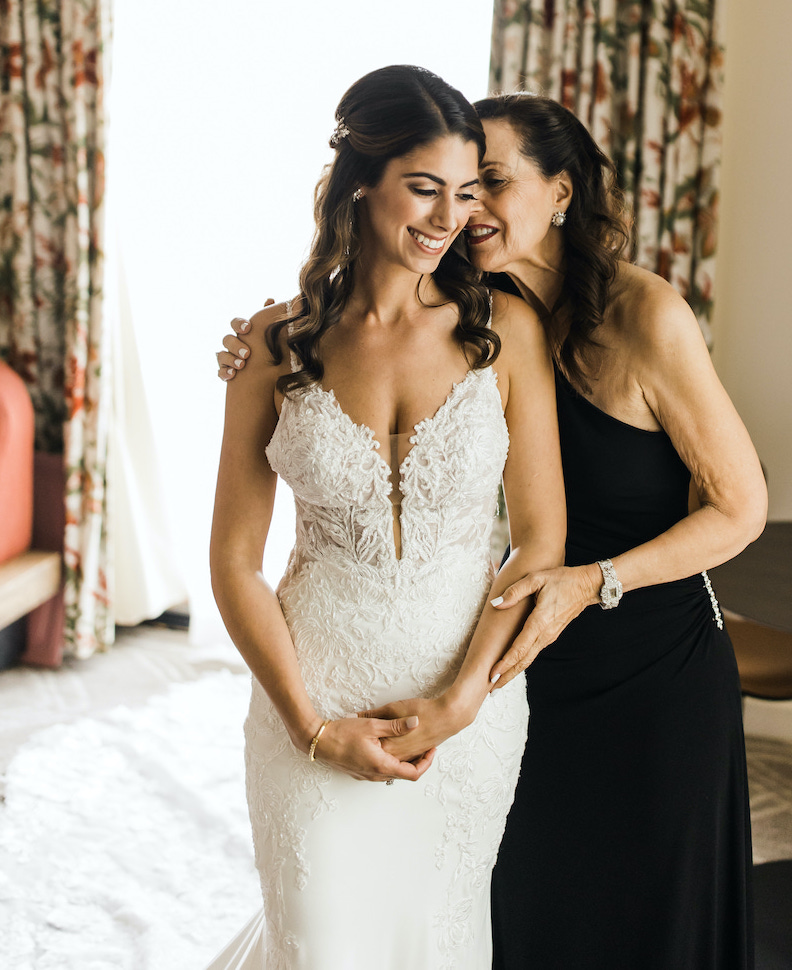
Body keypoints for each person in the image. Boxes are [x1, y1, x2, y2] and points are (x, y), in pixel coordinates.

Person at [216, 92, 767, 969]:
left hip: (641, 652)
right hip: (525, 650)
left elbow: (739, 508)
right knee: (522, 910)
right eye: (449, 189)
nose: (463, 212)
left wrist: (588, 585)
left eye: (487, 186)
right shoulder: (480, 302)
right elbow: (366, 312)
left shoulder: (636, 318)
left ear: (562, 192)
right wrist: (260, 344)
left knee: (644, 912)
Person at [207, 67, 566, 970]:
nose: (449, 218)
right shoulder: (273, 348)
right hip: (313, 697)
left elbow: (542, 541)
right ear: (361, 180)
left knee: (436, 943)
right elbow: (235, 562)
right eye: (424, 188)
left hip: (468, 715)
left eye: (466, 192)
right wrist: (310, 725)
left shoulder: (505, 334)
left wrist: (463, 699)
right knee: (324, 947)